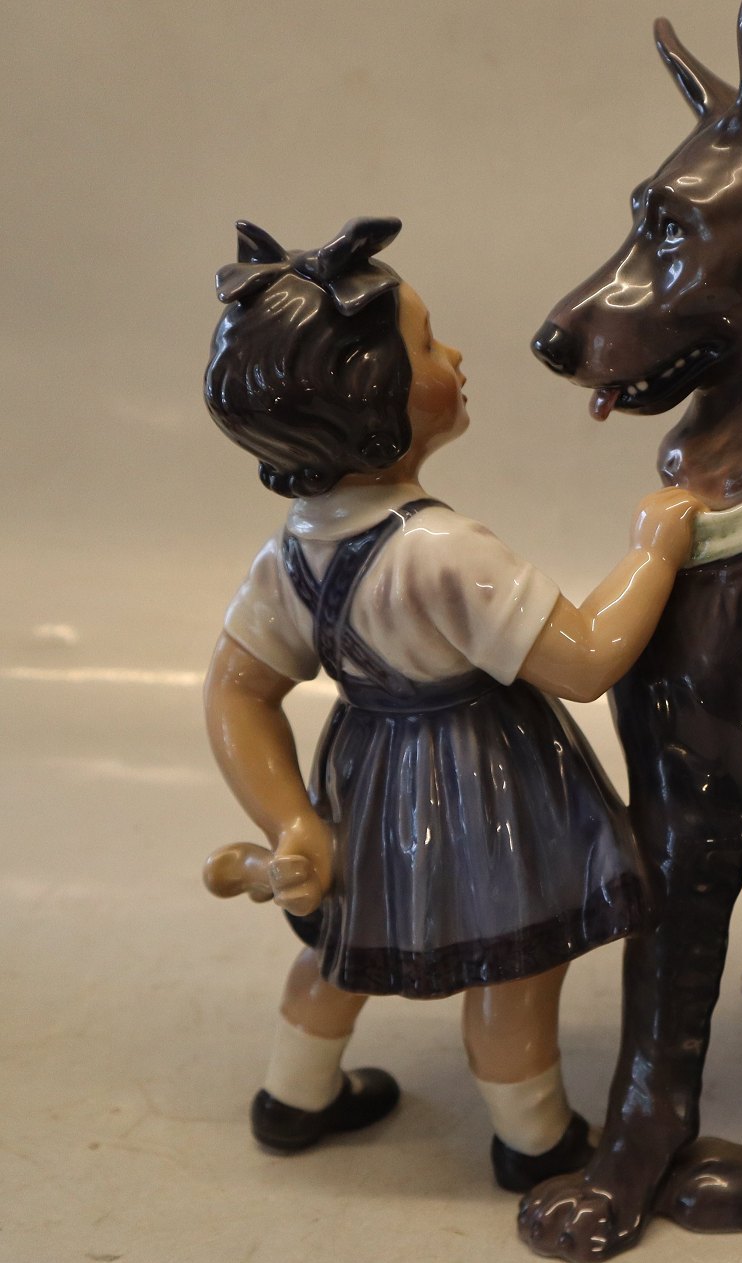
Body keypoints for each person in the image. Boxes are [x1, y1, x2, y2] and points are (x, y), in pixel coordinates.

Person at [202, 216, 698, 1190]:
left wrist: (293, 820)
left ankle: (294, 1096)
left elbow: (237, 689)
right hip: (490, 786)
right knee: (513, 962)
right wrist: (653, 553)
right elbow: (585, 661)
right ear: (374, 398)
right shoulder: (444, 552)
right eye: (427, 346)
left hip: (366, 781)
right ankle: (536, 1139)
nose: (455, 357)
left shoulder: (291, 550)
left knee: (341, 944)